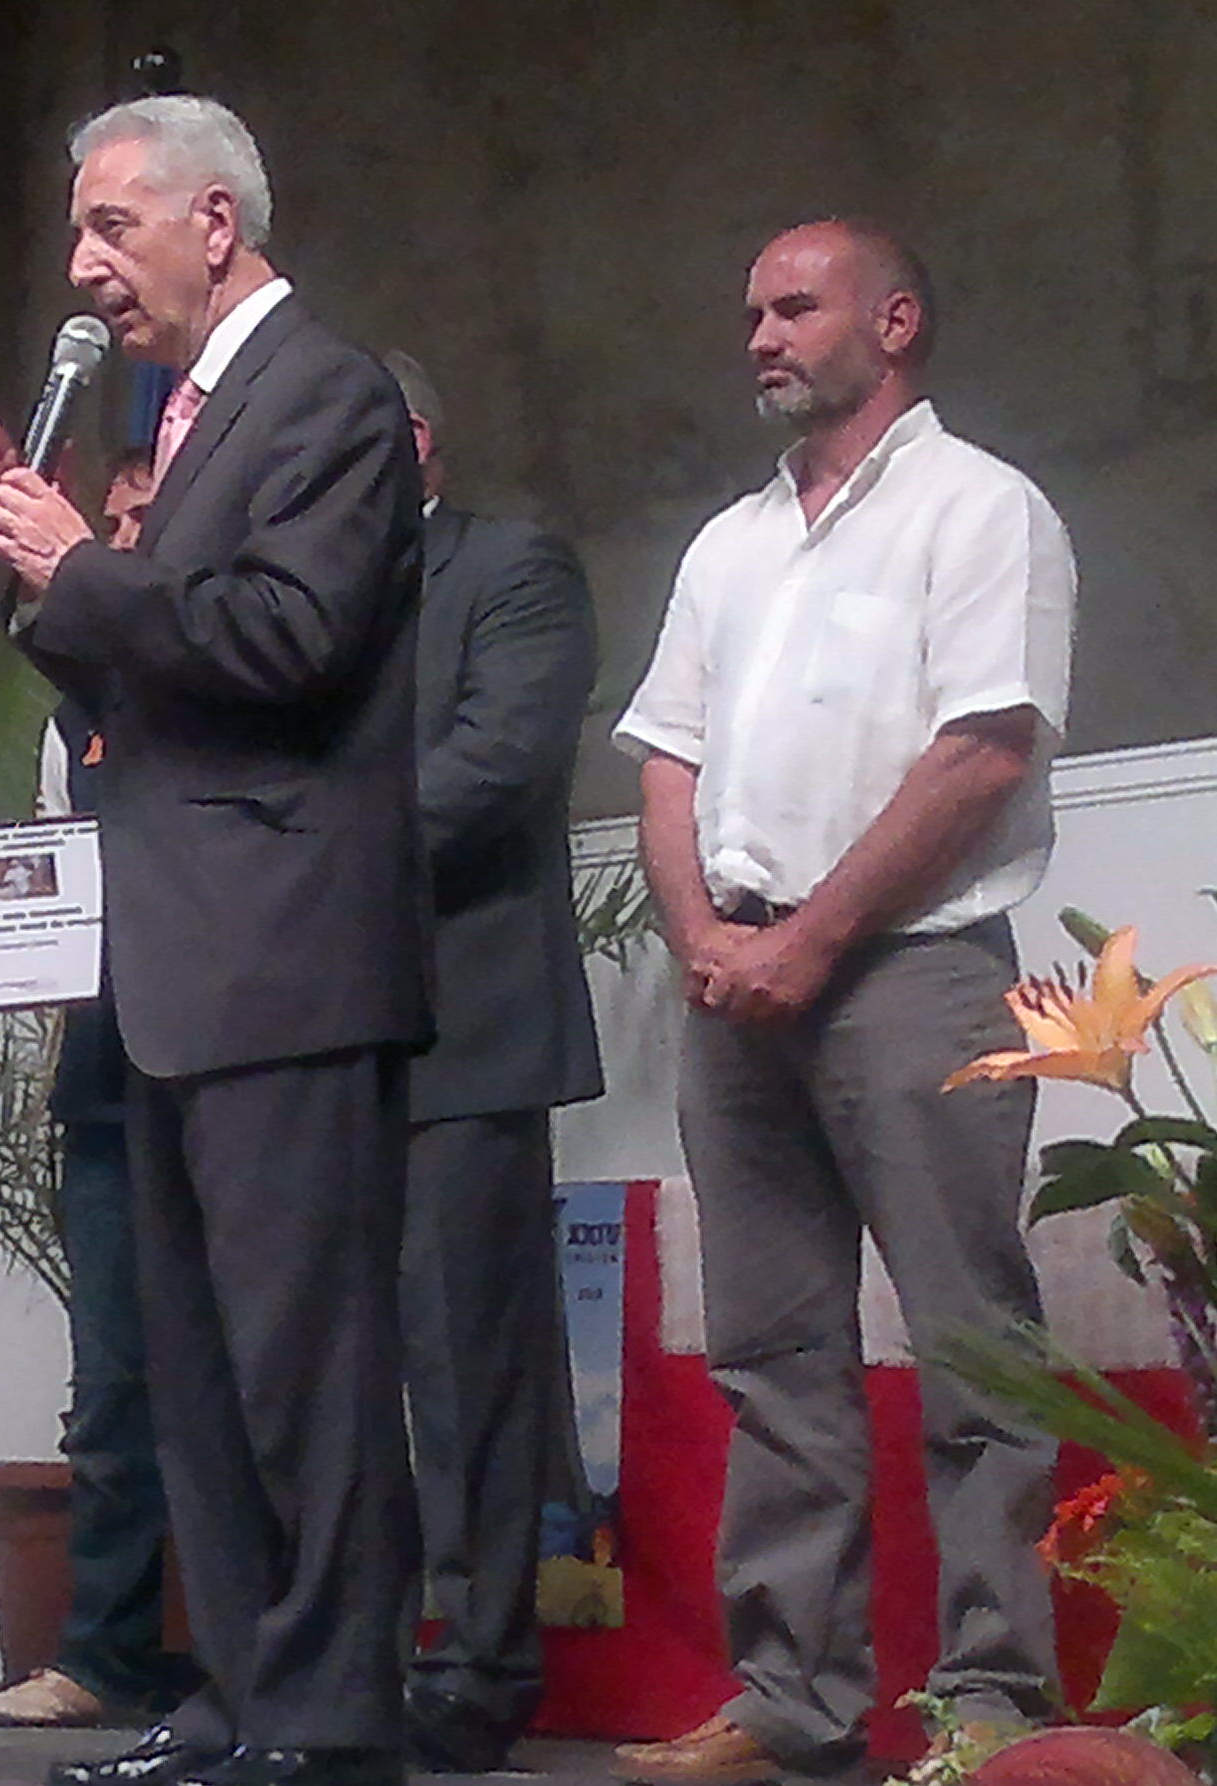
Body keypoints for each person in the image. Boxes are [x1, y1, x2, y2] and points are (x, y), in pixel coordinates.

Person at [0, 95, 424, 1786]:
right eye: (76, 233)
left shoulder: (326, 392)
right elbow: (158, 679)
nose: (81, 268)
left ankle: (331, 1714)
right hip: (176, 962)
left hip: (283, 959)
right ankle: (238, 1698)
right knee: (204, 1371)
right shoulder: (191, 411)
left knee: (303, 1367)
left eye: (110, 226)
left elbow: (293, 641)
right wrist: (41, 574)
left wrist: (87, 568)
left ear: (214, 223)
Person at [611, 221, 1073, 1784]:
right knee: (772, 1354)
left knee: (972, 1347)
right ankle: (791, 1703)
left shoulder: (979, 507)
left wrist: (809, 937)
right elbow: (665, 761)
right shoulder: (727, 545)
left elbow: (982, 749)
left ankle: (992, 1697)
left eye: (793, 306)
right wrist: (703, 935)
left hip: (912, 972)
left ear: (893, 320)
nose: (759, 334)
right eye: (750, 311)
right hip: (735, 982)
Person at [378, 352, 605, 1774]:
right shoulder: (298, 601)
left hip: (462, 1026)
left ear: (413, 439)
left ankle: (475, 1662)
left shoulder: (508, 566)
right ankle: (342, 1652)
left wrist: (295, 864)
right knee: (327, 1371)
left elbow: (496, 765)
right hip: (306, 1040)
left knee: (465, 1363)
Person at [0, 451, 201, 1732]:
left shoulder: (239, 688)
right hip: (108, 1078)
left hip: (232, 1071)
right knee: (112, 1380)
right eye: (104, 522)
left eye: (137, 520)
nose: (112, 539)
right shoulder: (74, 717)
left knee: (253, 1377)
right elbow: (51, 882)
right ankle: (105, 1654)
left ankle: (263, 1658)